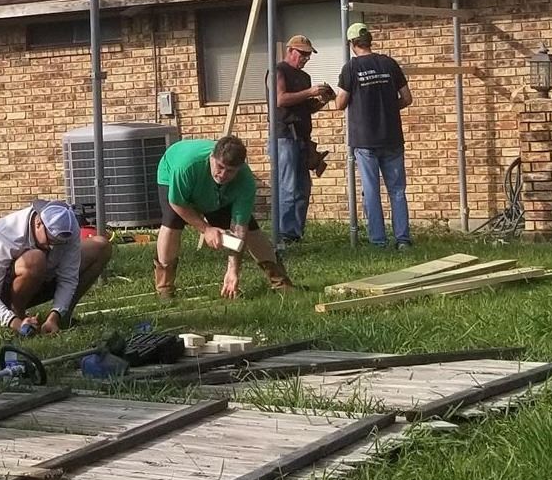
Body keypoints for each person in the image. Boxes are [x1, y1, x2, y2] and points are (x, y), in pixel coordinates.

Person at [153, 134, 291, 300]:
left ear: (239, 169)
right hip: (172, 171)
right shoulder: (186, 167)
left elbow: (240, 230)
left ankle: (280, 282)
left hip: (215, 193)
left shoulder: (245, 182)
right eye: (219, 166)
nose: (223, 174)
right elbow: (177, 203)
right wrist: (206, 229)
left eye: (230, 171)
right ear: (212, 157)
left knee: (252, 230)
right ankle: (165, 287)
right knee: (172, 222)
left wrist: (233, 271)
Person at [0, 199, 113, 335]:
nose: (52, 247)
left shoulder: (69, 228)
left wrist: (55, 315)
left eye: (59, 244)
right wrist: (15, 323)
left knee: (101, 246)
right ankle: (20, 317)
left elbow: (68, 278)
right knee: (36, 258)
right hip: (4, 293)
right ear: (38, 222)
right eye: (50, 241)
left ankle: (63, 318)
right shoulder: (4, 232)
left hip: (45, 279)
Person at [333, 20, 412, 248]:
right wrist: (387, 108)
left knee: (371, 191)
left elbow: (340, 103)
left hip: (365, 140)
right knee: (397, 191)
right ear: (370, 41)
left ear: (352, 44)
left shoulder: (350, 68)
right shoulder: (389, 63)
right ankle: (403, 240)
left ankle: (378, 241)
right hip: (392, 137)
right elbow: (407, 98)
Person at [273, 34, 335, 243]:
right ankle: (283, 234)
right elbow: (280, 99)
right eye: (303, 54)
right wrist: (310, 91)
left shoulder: (304, 77)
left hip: (301, 137)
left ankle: (295, 233)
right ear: (290, 51)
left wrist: (322, 100)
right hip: (284, 136)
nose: (306, 58)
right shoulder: (278, 71)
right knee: (288, 187)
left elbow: (305, 107)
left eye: (308, 55)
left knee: (302, 188)